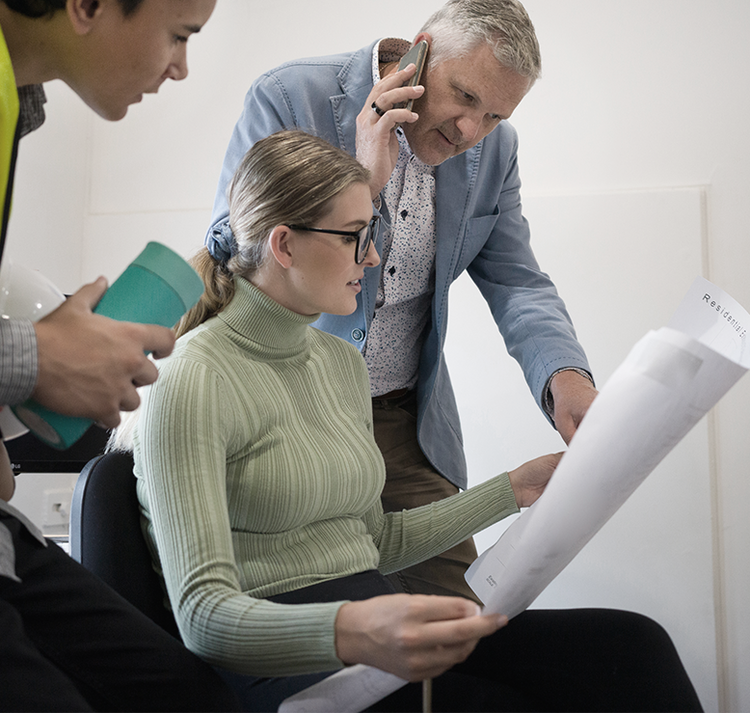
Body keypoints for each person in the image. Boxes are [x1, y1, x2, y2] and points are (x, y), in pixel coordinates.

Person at [123, 129, 702, 712]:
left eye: (371, 233)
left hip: (369, 626)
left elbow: (376, 541)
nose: (373, 257)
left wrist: (515, 488)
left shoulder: (340, 365)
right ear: (284, 245)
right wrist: (357, 629)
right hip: (286, 663)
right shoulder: (191, 377)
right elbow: (203, 618)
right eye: (355, 237)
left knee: (633, 648)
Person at [0, 0, 267, 711]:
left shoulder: (17, 101)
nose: (182, 67)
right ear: (91, 0)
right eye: (179, 33)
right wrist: (36, 358)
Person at [207, 0, 597, 600]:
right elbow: (230, 247)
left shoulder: (494, 151)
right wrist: (357, 178)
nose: (472, 131)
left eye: (496, 115)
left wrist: (565, 376)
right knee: (326, 615)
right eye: (465, 96)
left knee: (460, 623)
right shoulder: (290, 97)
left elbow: (516, 277)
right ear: (418, 55)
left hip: (402, 422)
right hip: (285, 418)